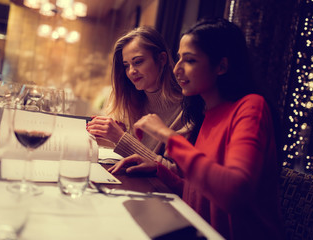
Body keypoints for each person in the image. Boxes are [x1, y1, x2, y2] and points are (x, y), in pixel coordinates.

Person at [109, 18, 284, 240]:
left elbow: (232, 194)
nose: (177, 68)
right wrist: (157, 168)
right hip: (197, 229)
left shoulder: (251, 107)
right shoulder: (205, 113)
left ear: (221, 66)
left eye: (190, 60)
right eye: (179, 58)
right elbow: (199, 194)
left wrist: (167, 135)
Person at [86, 26, 189, 171]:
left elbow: (177, 172)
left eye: (138, 62)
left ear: (161, 59)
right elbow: (140, 155)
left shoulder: (187, 108)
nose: (131, 71)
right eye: (126, 65)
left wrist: (121, 137)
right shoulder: (132, 100)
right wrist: (120, 134)